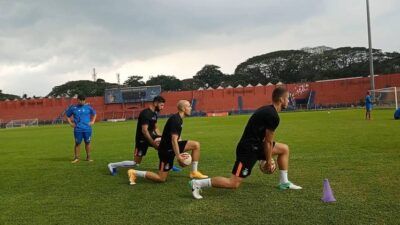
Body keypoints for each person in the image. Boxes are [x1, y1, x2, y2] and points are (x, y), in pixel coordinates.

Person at [189, 87, 302, 199]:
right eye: (287, 98)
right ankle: (197, 184)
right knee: (233, 183)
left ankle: (284, 182)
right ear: (281, 99)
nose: (288, 101)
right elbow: (268, 142)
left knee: (284, 149)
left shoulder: (268, 110)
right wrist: (268, 161)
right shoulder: (273, 115)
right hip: (248, 150)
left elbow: (266, 140)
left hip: (257, 146)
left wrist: (265, 157)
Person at [127, 100, 208, 185]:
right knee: (161, 178)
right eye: (189, 106)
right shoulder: (175, 120)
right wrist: (179, 157)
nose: (191, 108)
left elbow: (176, 138)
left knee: (196, 145)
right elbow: (173, 140)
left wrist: (180, 149)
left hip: (172, 147)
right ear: (184, 109)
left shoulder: (179, 118)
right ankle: (134, 172)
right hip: (166, 151)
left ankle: (194, 172)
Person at [107, 96, 181, 175]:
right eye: (161, 105)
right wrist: (154, 144)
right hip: (142, 140)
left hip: (151, 137)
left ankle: (169, 166)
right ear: (156, 103)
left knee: (167, 146)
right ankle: (112, 165)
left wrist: (163, 136)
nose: (162, 108)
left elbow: (155, 128)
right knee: (135, 163)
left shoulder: (154, 113)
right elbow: (144, 131)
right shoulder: (146, 113)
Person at [66, 94, 97, 163]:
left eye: (84, 100)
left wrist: (93, 121)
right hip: (78, 129)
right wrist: (71, 123)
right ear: (78, 100)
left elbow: (94, 113)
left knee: (87, 143)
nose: (82, 102)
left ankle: (88, 157)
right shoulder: (73, 108)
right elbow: (67, 115)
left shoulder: (88, 107)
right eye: (81, 100)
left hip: (87, 129)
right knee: (77, 143)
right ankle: (76, 158)